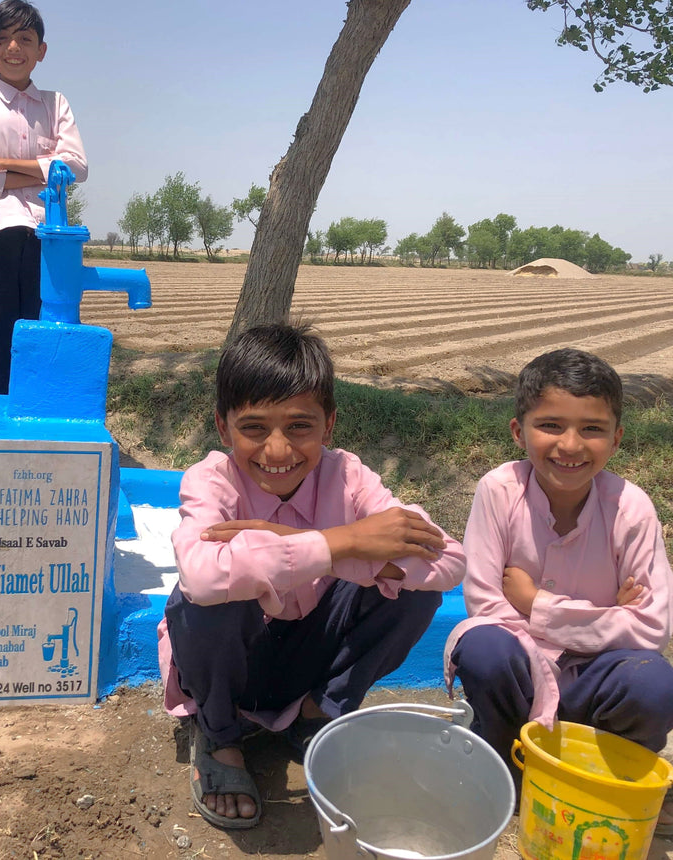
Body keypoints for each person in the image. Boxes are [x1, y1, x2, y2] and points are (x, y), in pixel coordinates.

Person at [157, 322, 465, 829]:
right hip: (231, 660)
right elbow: (202, 578)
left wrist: (322, 550)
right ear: (222, 426)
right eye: (254, 427)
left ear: (329, 425)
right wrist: (344, 540)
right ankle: (219, 734)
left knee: (413, 596)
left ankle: (314, 716)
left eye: (299, 426)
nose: (277, 451)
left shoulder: (349, 475)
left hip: (307, 656)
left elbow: (450, 559)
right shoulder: (210, 479)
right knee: (213, 597)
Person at [445, 348, 673, 834]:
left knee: (652, 680)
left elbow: (651, 628)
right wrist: (608, 615)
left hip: (596, 679)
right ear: (517, 431)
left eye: (592, 429)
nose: (570, 445)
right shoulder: (499, 490)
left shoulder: (631, 508)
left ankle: (604, 774)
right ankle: (506, 763)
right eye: (550, 425)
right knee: (484, 646)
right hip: (519, 671)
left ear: (616, 439)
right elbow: (485, 604)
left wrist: (535, 604)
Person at [0, 0, 88, 394]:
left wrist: (3, 162)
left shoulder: (55, 103)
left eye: (25, 39)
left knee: (43, 355)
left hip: (49, 243)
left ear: (41, 50)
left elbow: (78, 167)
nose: (14, 48)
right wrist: (45, 166)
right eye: (4, 38)